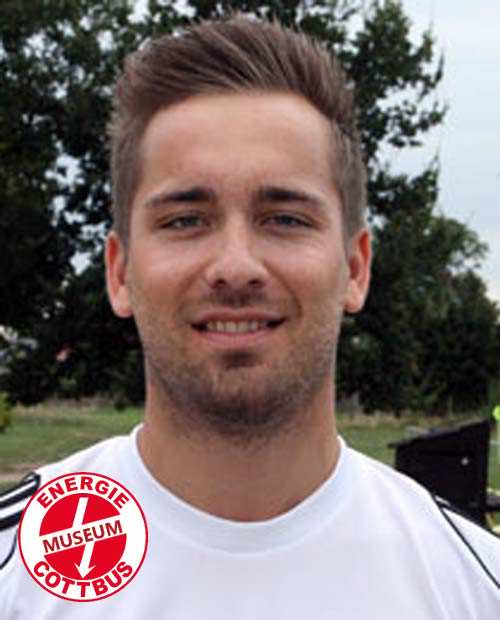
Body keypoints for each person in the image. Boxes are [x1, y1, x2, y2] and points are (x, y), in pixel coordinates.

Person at [0, 14, 498, 619]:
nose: (235, 267)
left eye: (285, 219)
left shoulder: (473, 586)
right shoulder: (15, 576)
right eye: (185, 220)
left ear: (355, 267)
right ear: (120, 272)